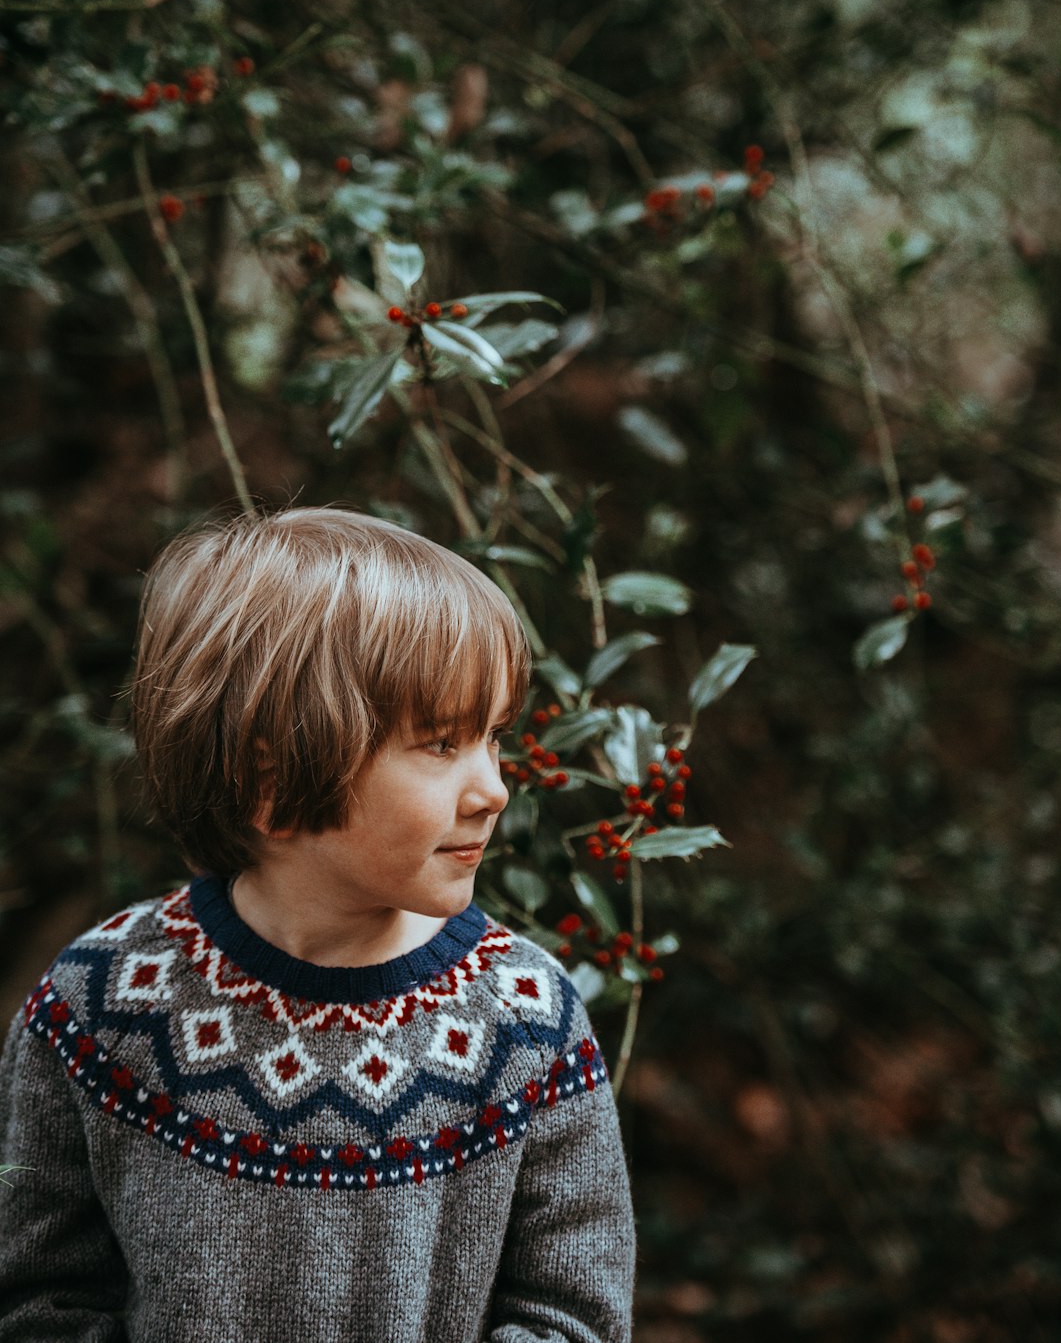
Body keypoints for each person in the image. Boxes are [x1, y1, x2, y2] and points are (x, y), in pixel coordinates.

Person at [0, 506, 636, 1342]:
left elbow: (573, 1317)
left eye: (492, 737)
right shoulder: (103, 1003)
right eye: (441, 742)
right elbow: (35, 1299)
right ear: (269, 776)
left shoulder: (525, 1021)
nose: (493, 788)